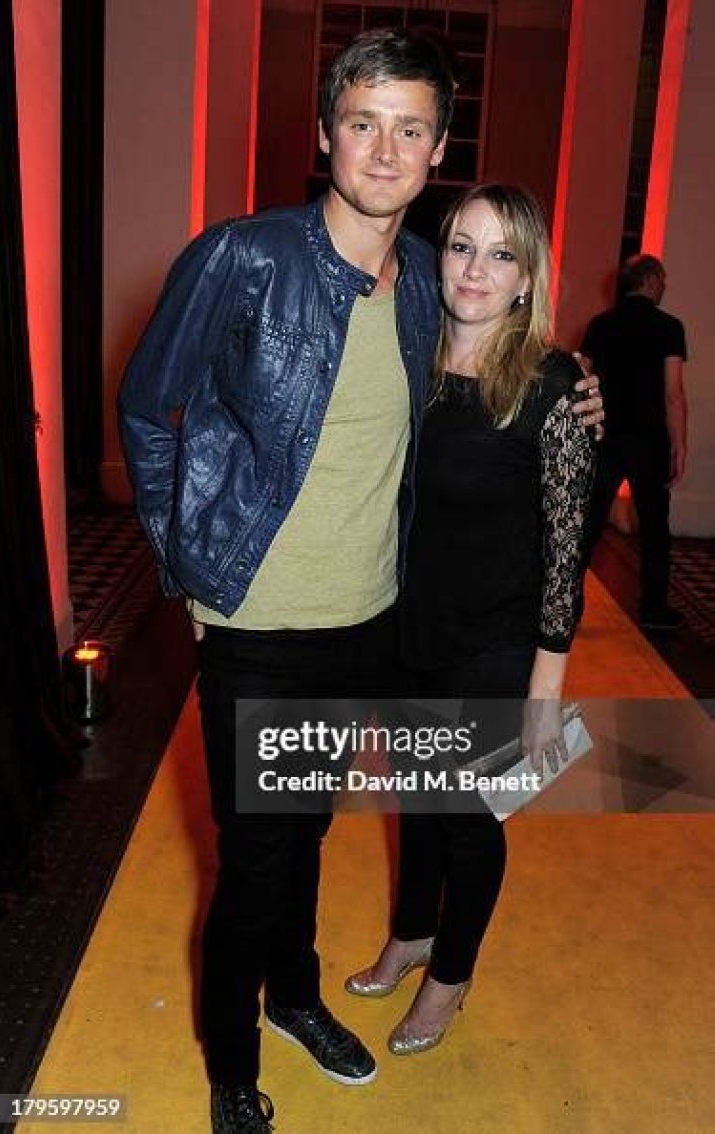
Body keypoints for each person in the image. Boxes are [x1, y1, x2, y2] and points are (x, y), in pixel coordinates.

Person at [119, 29, 602, 1132]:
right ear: (326, 133)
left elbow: (502, 360)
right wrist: (185, 562)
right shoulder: (243, 256)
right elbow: (148, 407)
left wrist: (578, 389)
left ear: (437, 149)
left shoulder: (430, 280)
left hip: (369, 623)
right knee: (256, 856)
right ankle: (231, 1064)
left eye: (410, 128)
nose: (386, 150)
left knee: (310, 836)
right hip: (257, 622)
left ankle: (295, 998)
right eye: (364, 123)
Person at [345, 184, 596, 1056]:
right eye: (462, 247)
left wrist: (544, 690)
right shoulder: (409, 356)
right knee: (415, 798)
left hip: (495, 642)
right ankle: (412, 932)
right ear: (437, 255)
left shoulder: (555, 387)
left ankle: (451, 976)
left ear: (528, 278)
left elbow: (567, 550)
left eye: (501, 255)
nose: (477, 271)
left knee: (466, 816)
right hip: (407, 624)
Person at [579, 254, 688, 630]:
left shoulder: (601, 324)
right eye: (663, 279)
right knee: (655, 529)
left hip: (605, 439)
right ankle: (654, 609)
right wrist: (679, 444)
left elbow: (583, 380)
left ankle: (564, 602)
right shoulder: (669, 327)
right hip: (650, 442)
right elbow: (673, 394)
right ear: (651, 280)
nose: (665, 286)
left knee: (588, 524)